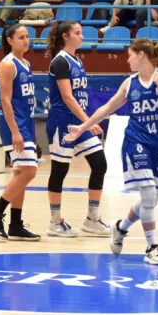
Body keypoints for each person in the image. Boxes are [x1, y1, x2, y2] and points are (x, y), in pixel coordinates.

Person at [64, 39, 158, 265]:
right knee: (149, 195)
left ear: (141, 55)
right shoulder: (129, 83)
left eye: (130, 55)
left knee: (150, 201)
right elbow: (107, 108)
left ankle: (120, 228)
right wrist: (82, 127)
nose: (128, 60)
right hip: (135, 142)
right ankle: (152, 246)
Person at [44, 21, 110, 238]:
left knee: (100, 164)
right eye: (78, 33)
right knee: (60, 171)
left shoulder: (77, 60)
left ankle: (92, 218)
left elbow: (80, 96)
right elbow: (67, 97)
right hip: (63, 123)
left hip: (80, 123)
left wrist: (85, 122)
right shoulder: (60, 62)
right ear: (65, 36)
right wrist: (89, 122)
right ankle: (55, 222)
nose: (82, 36)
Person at [0, 24, 41, 241]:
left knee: (20, 174)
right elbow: (5, 101)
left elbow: (26, 102)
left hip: (26, 122)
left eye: (27, 37)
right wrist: (16, 131)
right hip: (13, 125)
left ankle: (15, 224)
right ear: (10, 40)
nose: (26, 40)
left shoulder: (26, 63)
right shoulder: (7, 64)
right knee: (29, 171)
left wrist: (31, 132)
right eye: (21, 37)